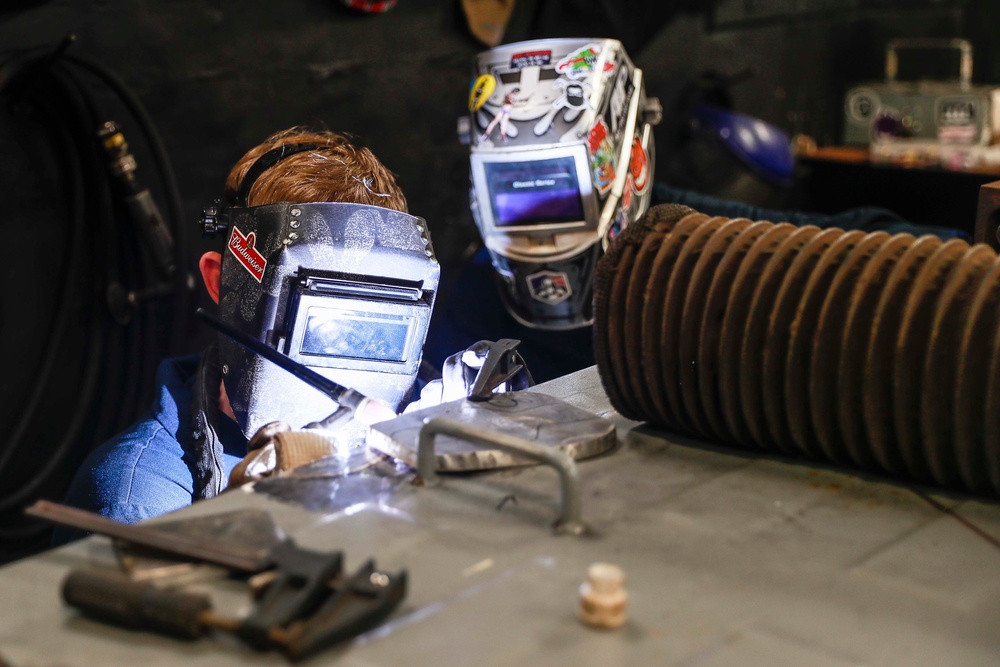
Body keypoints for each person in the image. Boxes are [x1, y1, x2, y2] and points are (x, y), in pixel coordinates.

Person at [55, 127, 441, 540]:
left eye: (370, 330)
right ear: (220, 282)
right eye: (321, 325)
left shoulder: (430, 437)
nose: (347, 359)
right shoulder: (141, 505)